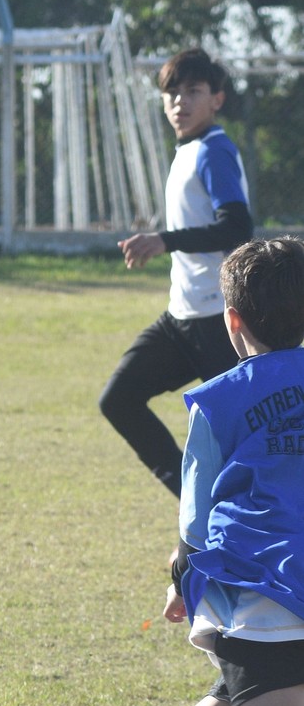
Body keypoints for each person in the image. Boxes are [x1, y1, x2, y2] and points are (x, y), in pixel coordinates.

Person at [121, 235, 304, 706]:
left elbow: (195, 520)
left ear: (231, 321)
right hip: (270, 603)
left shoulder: (219, 402)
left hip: (262, 603)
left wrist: (184, 576)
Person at [101, 48, 253, 497]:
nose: (180, 102)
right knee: (119, 400)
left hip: (219, 323)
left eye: (193, 91)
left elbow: (237, 226)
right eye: (172, 93)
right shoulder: (188, 150)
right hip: (182, 319)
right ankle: (195, 505)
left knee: (247, 441)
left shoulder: (214, 150)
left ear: (217, 99)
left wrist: (163, 239)